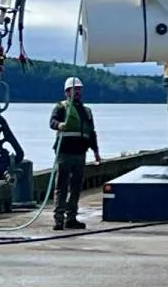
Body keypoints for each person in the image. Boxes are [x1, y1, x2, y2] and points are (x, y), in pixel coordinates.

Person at [49, 76, 101, 231]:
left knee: (76, 187)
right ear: (67, 92)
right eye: (74, 89)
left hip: (80, 154)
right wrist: (60, 125)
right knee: (61, 187)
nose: (77, 92)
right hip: (65, 154)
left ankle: (71, 218)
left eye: (79, 89)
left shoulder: (87, 111)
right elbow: (52, 122)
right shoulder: (60, 107)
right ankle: (59, 219)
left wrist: (96, 152)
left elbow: (91, 133)